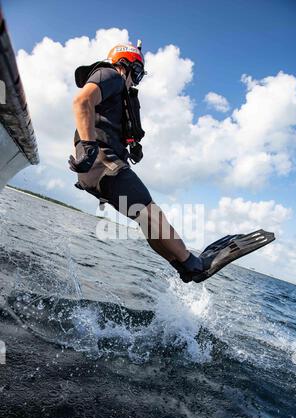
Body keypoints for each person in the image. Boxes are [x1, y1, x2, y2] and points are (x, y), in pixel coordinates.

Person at [69, 43, 275, 283]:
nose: (135, 81)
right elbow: (81, 101)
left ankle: (184, 266)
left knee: (146, 218)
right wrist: (88, 146)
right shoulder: (111, 74)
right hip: (102, 162)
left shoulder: (119, 91)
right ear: (127, 65)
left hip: (104, 164)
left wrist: (131, 146)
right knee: (151, 214)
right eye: (136, 73)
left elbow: (108, 120)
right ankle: (192, 264)